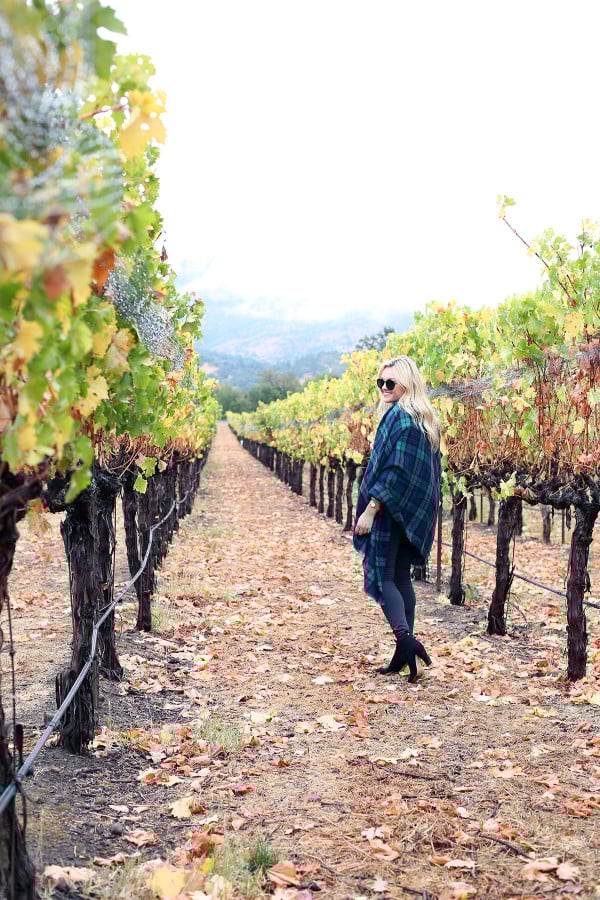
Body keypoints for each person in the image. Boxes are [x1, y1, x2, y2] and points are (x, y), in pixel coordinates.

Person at [353, 355, 441, 682]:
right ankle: (402, 656)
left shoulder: (401, 419)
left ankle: (406, 641)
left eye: (391, 382)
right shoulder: (423, 419)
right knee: (401, 577)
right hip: (412, 509)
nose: (385, 388)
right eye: (381, 383)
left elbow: (396, 471)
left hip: (390, 509)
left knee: (384, 576)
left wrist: (371, 508)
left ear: (408, 383)